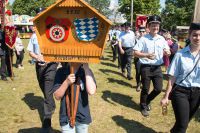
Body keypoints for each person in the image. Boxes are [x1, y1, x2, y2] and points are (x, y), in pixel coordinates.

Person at [160, 22, 200, 133]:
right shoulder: (180, 54)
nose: (197, 38)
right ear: (190, 36)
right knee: (183, 126)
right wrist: (166, 96)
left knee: (184, 122)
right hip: (180, 92)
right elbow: (172, 78)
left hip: (197, 93)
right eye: (195, 35)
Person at [133, 15, 171, 117]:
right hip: (145, 67)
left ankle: (147, 100)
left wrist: (167, 52)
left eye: (157, 25)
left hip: (157, 67)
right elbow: (135, 52)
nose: (156, 28)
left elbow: (167, 49)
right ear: (148, 27)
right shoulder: (143, 39)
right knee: (145, 88)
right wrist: (146, 55)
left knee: (158, 88)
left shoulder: (162, 39)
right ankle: (143, 106)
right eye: (153, 25)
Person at [27, 25, 58, 133]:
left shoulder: (53, 34)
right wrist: (37, 57)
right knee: (44, 90)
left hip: (51, 67)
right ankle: (52, 105)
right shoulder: (34, 36)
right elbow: (30, 51)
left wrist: (49, 59)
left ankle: (46, 123)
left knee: (47, 92)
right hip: (39, 66)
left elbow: (58, 51)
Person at [53, 62, 96, 133]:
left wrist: (86, 68)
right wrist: (66, 82)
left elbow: (91, 91)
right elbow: (57, 96)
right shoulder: (61, 72)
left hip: (82, 117)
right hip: (66, 117)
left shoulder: (86, 72)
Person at [134, 26, 146, 92]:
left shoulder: (148, 39)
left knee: (144, 73)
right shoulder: (136, 39)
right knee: (138, 72)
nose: (141, 33)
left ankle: (143, 83)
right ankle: (138, 84)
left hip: (145, 59)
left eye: (143, 31)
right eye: (140, 31)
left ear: (145, 32)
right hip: (138, 59)